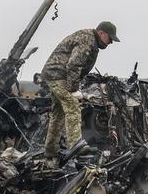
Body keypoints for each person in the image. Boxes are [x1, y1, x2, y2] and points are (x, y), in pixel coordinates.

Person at [39, 21, 119, 163]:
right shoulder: (88, 40)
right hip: (57, 75)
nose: (111, 42)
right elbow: (74, 65)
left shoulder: (91, 41)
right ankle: (75, 145)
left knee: (58, 113)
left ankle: (51, 150)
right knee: (72, 105)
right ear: (101, 33)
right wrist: (74, 90)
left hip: (55, 74)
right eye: (110, 38)